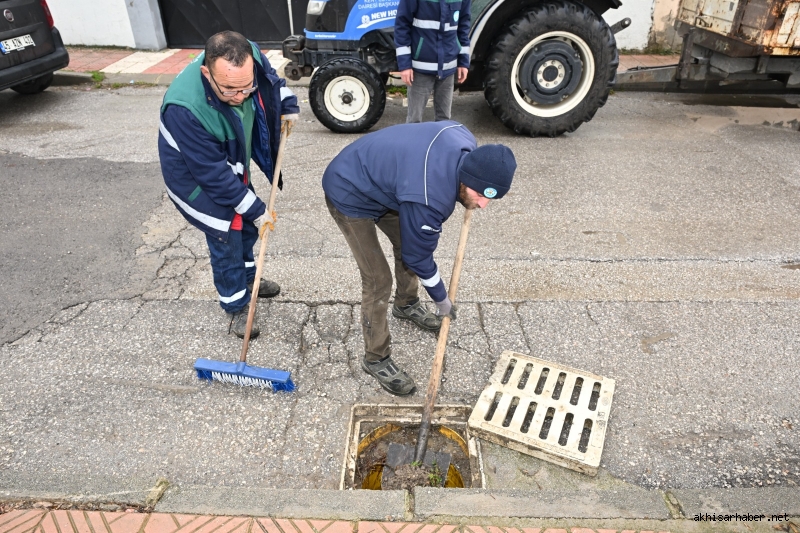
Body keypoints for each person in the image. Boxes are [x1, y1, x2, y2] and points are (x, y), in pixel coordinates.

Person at [322, 121, 516, 396]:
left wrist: (476, 191)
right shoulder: (431, 198)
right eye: (479, 194)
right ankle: (376, 358)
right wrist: (442, 300)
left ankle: (406, 304)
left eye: (489, 198)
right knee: (378, 279)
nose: (482, 205)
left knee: (406, 242)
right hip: (349, 189)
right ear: (466, 178)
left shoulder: (463, 138)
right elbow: (419, 258)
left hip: (391, 185)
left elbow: (415, 247)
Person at [158, 31, 299, 338]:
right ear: (206, 73)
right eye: (230, 90)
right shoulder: (185, 109)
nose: (240, 97)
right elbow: (214, 177)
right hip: (195, 180)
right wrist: (257, 210)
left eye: (246, 87)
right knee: (227, 236)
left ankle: (249, 278)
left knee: (246, 228)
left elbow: (270, 80)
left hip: (230, 160)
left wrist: (286, 103)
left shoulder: (249, 54)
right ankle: (236, 305)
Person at [394, 0, 471, 123]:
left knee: (444, 121)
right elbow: (402, 26)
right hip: (420, 69)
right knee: (414, 121)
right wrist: (405, 65)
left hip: (448, 68)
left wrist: (463, 61)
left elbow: (463, 26)